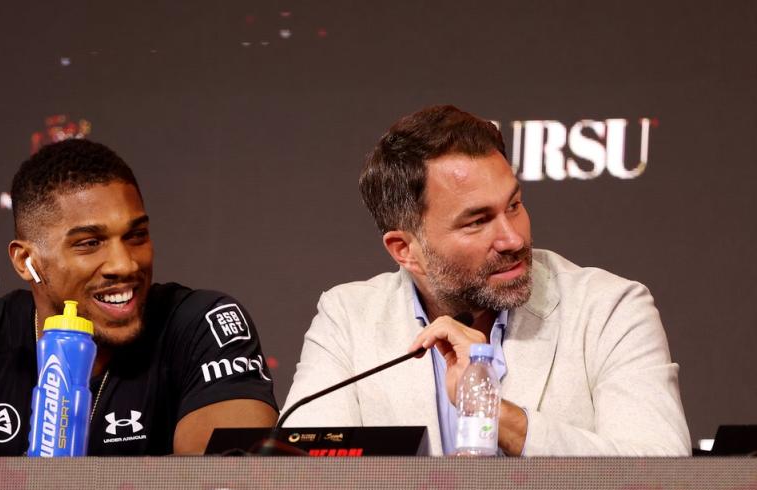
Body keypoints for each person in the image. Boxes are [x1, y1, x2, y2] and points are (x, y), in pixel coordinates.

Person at [283, 105, 691, 456]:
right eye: (477, 222)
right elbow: (302, 477)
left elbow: (659, 475)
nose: (513, 238)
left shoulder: (609, 308)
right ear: (405, 250)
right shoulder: (348, 319)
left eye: (514, 205)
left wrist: (494, 413)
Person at [0, 139, 277, 454]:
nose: (125, 264)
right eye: (89, 243)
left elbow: (231, 482)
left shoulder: (200, 323)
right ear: (26, 262)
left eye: (136, 235)